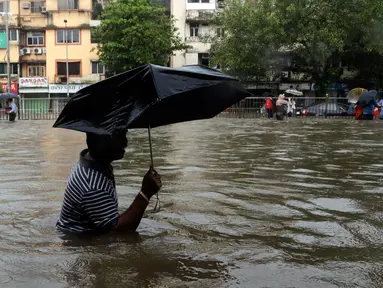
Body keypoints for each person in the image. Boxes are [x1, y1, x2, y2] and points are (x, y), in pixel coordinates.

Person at [56, 130, 162, 234]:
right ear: (101, 141)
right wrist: (145, 193)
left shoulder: (92, 161)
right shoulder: (93, 185)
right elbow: (117, 232)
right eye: (119, 135)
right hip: (81, 241)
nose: (125, 142)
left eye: (124, 134)